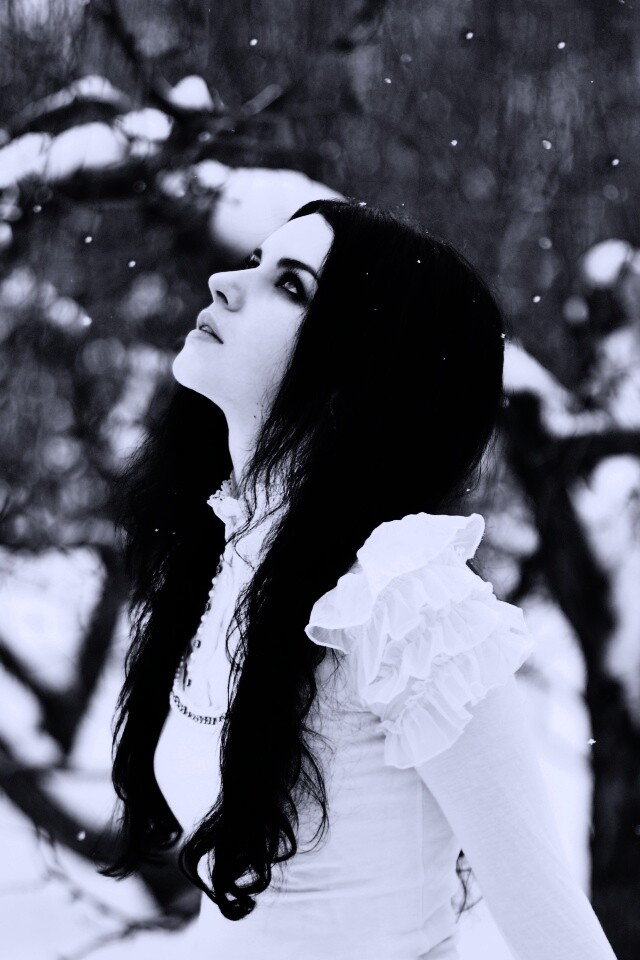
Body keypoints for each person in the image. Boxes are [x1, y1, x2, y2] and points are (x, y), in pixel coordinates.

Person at [102, 198, 619, 960]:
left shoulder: (405, 604)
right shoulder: (223, 557)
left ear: (363, 365)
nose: (223, 283)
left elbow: (555, 931)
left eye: (290, 285)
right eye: (253, 262)